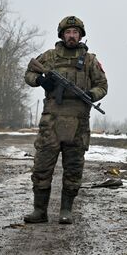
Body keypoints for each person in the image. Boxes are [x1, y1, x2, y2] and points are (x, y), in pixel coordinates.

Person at [23, 15, 108, 224]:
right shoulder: (50, 57)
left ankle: (66, 210)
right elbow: (29, 74)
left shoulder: (89, 60)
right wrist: (40, 80)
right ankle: (39, 211)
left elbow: (103, 86)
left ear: (80, 36)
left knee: (73, 168)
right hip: (51, 122)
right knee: (42, 166)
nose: (72, 36)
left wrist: (91, 94)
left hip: (78, 123)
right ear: (62, 34)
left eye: (75, 33)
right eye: (68, 32)